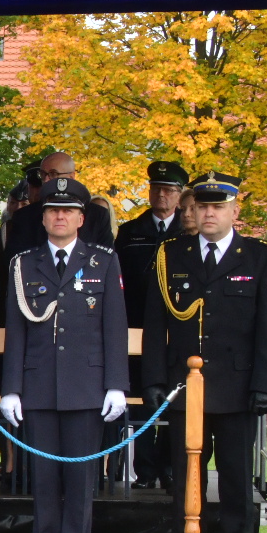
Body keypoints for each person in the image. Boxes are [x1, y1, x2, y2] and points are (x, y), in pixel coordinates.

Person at [142, 172, 267, 533]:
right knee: (186, 483)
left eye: (218, 206)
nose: (208, 213)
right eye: (202, 206)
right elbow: (156, 325)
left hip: (238, 390)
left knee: (238, 485)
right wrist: (153, 378)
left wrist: (265, 385)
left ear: (234, 211)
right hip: (186, 389)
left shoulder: (260, 257)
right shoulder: (171, 254)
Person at [0, 178, 129, 533]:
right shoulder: (24, 263)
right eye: (52, 210)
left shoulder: (103, 261)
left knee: (79, 482)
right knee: (43, 481)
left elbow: (115, 326)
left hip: (86, 385)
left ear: (80, 218)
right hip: (38, 386)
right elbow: (16, 330)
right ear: (43, 218)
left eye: (67, 210)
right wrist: (12, 387)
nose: (59, 216)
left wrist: (115, 384)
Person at [115, 161, 189, 490]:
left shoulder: (189, 234)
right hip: (136, 329)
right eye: (157, 188)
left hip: (177, 332)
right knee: (142, 403)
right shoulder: (130, 232)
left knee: (175, 404)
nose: (162, 195)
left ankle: (168, 467)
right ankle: (144, 471)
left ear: (179, 195)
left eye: (170, 190)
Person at [0, 152, 115, 272]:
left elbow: (106, 261)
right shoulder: (25, 216)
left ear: (72, 176)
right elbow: (14, 262)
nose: (46, 179)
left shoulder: (97, 215)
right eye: (43, 174)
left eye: (53, 174)